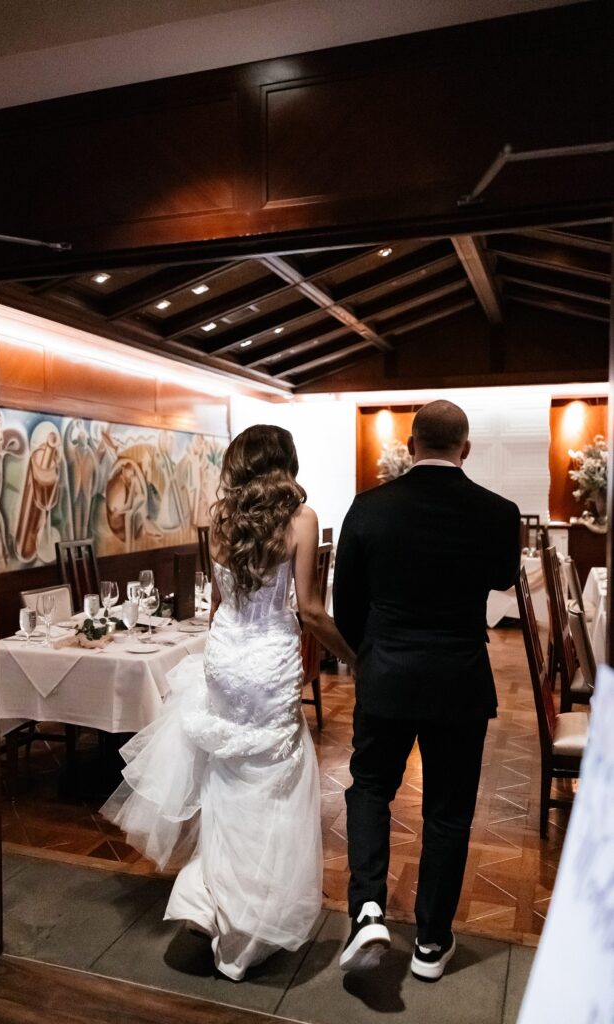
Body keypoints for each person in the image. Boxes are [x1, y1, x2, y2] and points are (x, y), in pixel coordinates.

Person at [102, 423, 355, 981]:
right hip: (268, 661)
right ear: (285, 463)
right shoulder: (301, 520)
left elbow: (217, 605)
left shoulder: (219, 520)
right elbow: (310, 610)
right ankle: (246, 926)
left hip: (226, 656)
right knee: (273, 784)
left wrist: (220, 659)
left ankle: (208, 902)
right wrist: (353, 655)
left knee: (225, 778)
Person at [333, 400, 520, 980]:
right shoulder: (498, 512)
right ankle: (432, 944)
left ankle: (367, 907)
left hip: (386, 674)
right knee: (448, 812)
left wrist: (373, 653)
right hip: (459, 682)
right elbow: (502, 579)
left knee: (369, 788)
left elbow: (346, 607)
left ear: (411, 447)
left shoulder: (367, 508)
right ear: (464, 449)